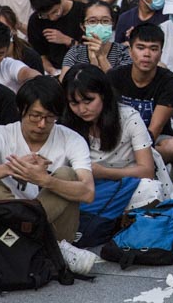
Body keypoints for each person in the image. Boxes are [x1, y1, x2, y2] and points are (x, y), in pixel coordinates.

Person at [0, 76, 98, 272]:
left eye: (50, 117)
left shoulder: (71, 139)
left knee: (67, 174)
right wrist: (11, 168)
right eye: (35, 116)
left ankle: (20, 249)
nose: (42, 124)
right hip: (9, 224)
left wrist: (45, 180)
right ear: (21, 110)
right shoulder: (1, 134)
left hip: (53, 230)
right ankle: (34, 250)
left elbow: (88, 192)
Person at [61, 65, 156, 231]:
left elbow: (147, 171)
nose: (82, 109)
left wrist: (105, 173)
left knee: (149, 189)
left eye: (88, 101)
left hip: (126, 186)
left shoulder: (128, 118)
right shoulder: (65, 125)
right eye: (74, 103)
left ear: (103, 95)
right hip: (90, 191)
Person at [107, 24, 173, 166]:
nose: (147, 54)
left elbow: (155, 128)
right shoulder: (115, 76)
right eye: (140, 48)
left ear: (161, 53)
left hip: (153, 139)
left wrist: (135, 152)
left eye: (153, 49)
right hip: (119, 137)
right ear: (130, 51)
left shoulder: (169, 80)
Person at [28, 0, 88, 75]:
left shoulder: (84, 13)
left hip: (83, 66)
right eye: (45, 16)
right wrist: (52, 70)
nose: (51, 18)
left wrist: (67, 40)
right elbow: (40, 55)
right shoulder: (35, 20)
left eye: (55, 11)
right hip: (54, 70)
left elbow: (92, 52)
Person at [61, 0, 132, 73]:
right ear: (82, 26)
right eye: (92, 21)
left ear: (113, 24)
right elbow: (65, 82)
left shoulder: (124, 52)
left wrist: (101, 58)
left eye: (105, 21)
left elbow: (121, 84)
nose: (99, 26)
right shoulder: (75, 53)